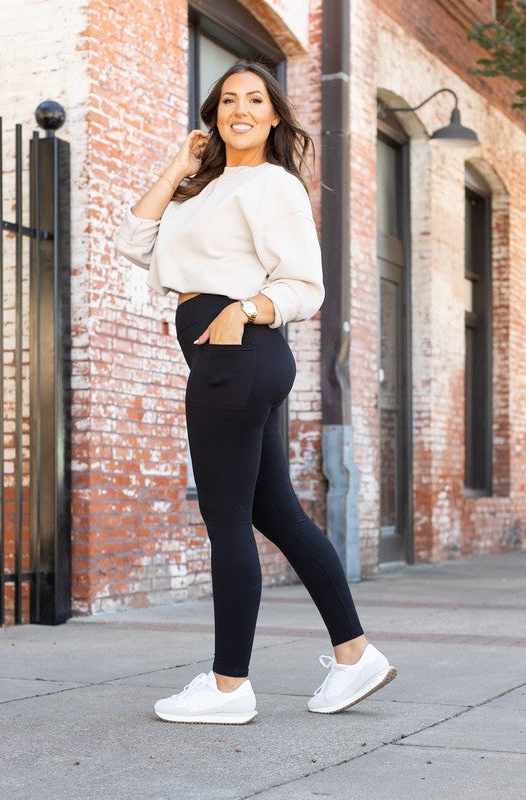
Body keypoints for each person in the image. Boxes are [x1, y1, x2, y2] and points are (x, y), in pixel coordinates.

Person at [113, 60, 397, 725]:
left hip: (236, 356)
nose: (240, 108)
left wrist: (245, 309)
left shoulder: (273, 185)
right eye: (227, 100)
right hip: (232, 362)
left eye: (255, 99)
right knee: (275, 513)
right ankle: (356, 656)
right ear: (212, 116)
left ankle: (228, 684)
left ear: (273, 116)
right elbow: (133, 241)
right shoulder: (202, 188)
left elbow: (305, 285)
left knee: (226, 518)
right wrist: (177, 163)